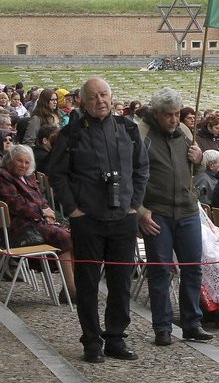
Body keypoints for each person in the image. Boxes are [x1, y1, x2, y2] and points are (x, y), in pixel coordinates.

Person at [48, 77, 149, 363]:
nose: (100, 100)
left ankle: (115, 338)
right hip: (88, 218)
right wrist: (72, 208)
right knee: (88, 282)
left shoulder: (128, 128)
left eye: (104, 95)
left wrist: (134, 204)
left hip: (123, 217)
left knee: (121, 282)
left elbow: (141, 167)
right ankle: (91, 340)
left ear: (111, 96)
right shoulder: (72, 134)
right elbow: (57, 174)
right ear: (82, 101)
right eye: (93, 97)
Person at [135, 88, 211, 347]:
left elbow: (197, 166)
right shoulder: (142, 136)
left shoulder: (185, 133)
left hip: (187, 209)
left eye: (177, 114)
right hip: (158, 212)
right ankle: (162, 326)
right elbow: (130, 176)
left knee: (193, 269)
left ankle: (192, 322)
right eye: (168, 115)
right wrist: (141, 211)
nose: (174, 120)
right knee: (160, 272)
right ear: (156, 115)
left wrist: (199, 158)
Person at [0, 145, 75, 300]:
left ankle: (71, 287)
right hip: (19, 227)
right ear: (10, 161)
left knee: (76, 234)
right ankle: (71, 290)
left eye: (27, 162)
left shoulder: (28, 176)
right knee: (63, 236)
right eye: (19, 161)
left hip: (37, 222)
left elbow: (40, 199)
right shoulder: (3, 176)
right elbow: (16, 204)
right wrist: (41, 212)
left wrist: (47, 211)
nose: (23, 165)